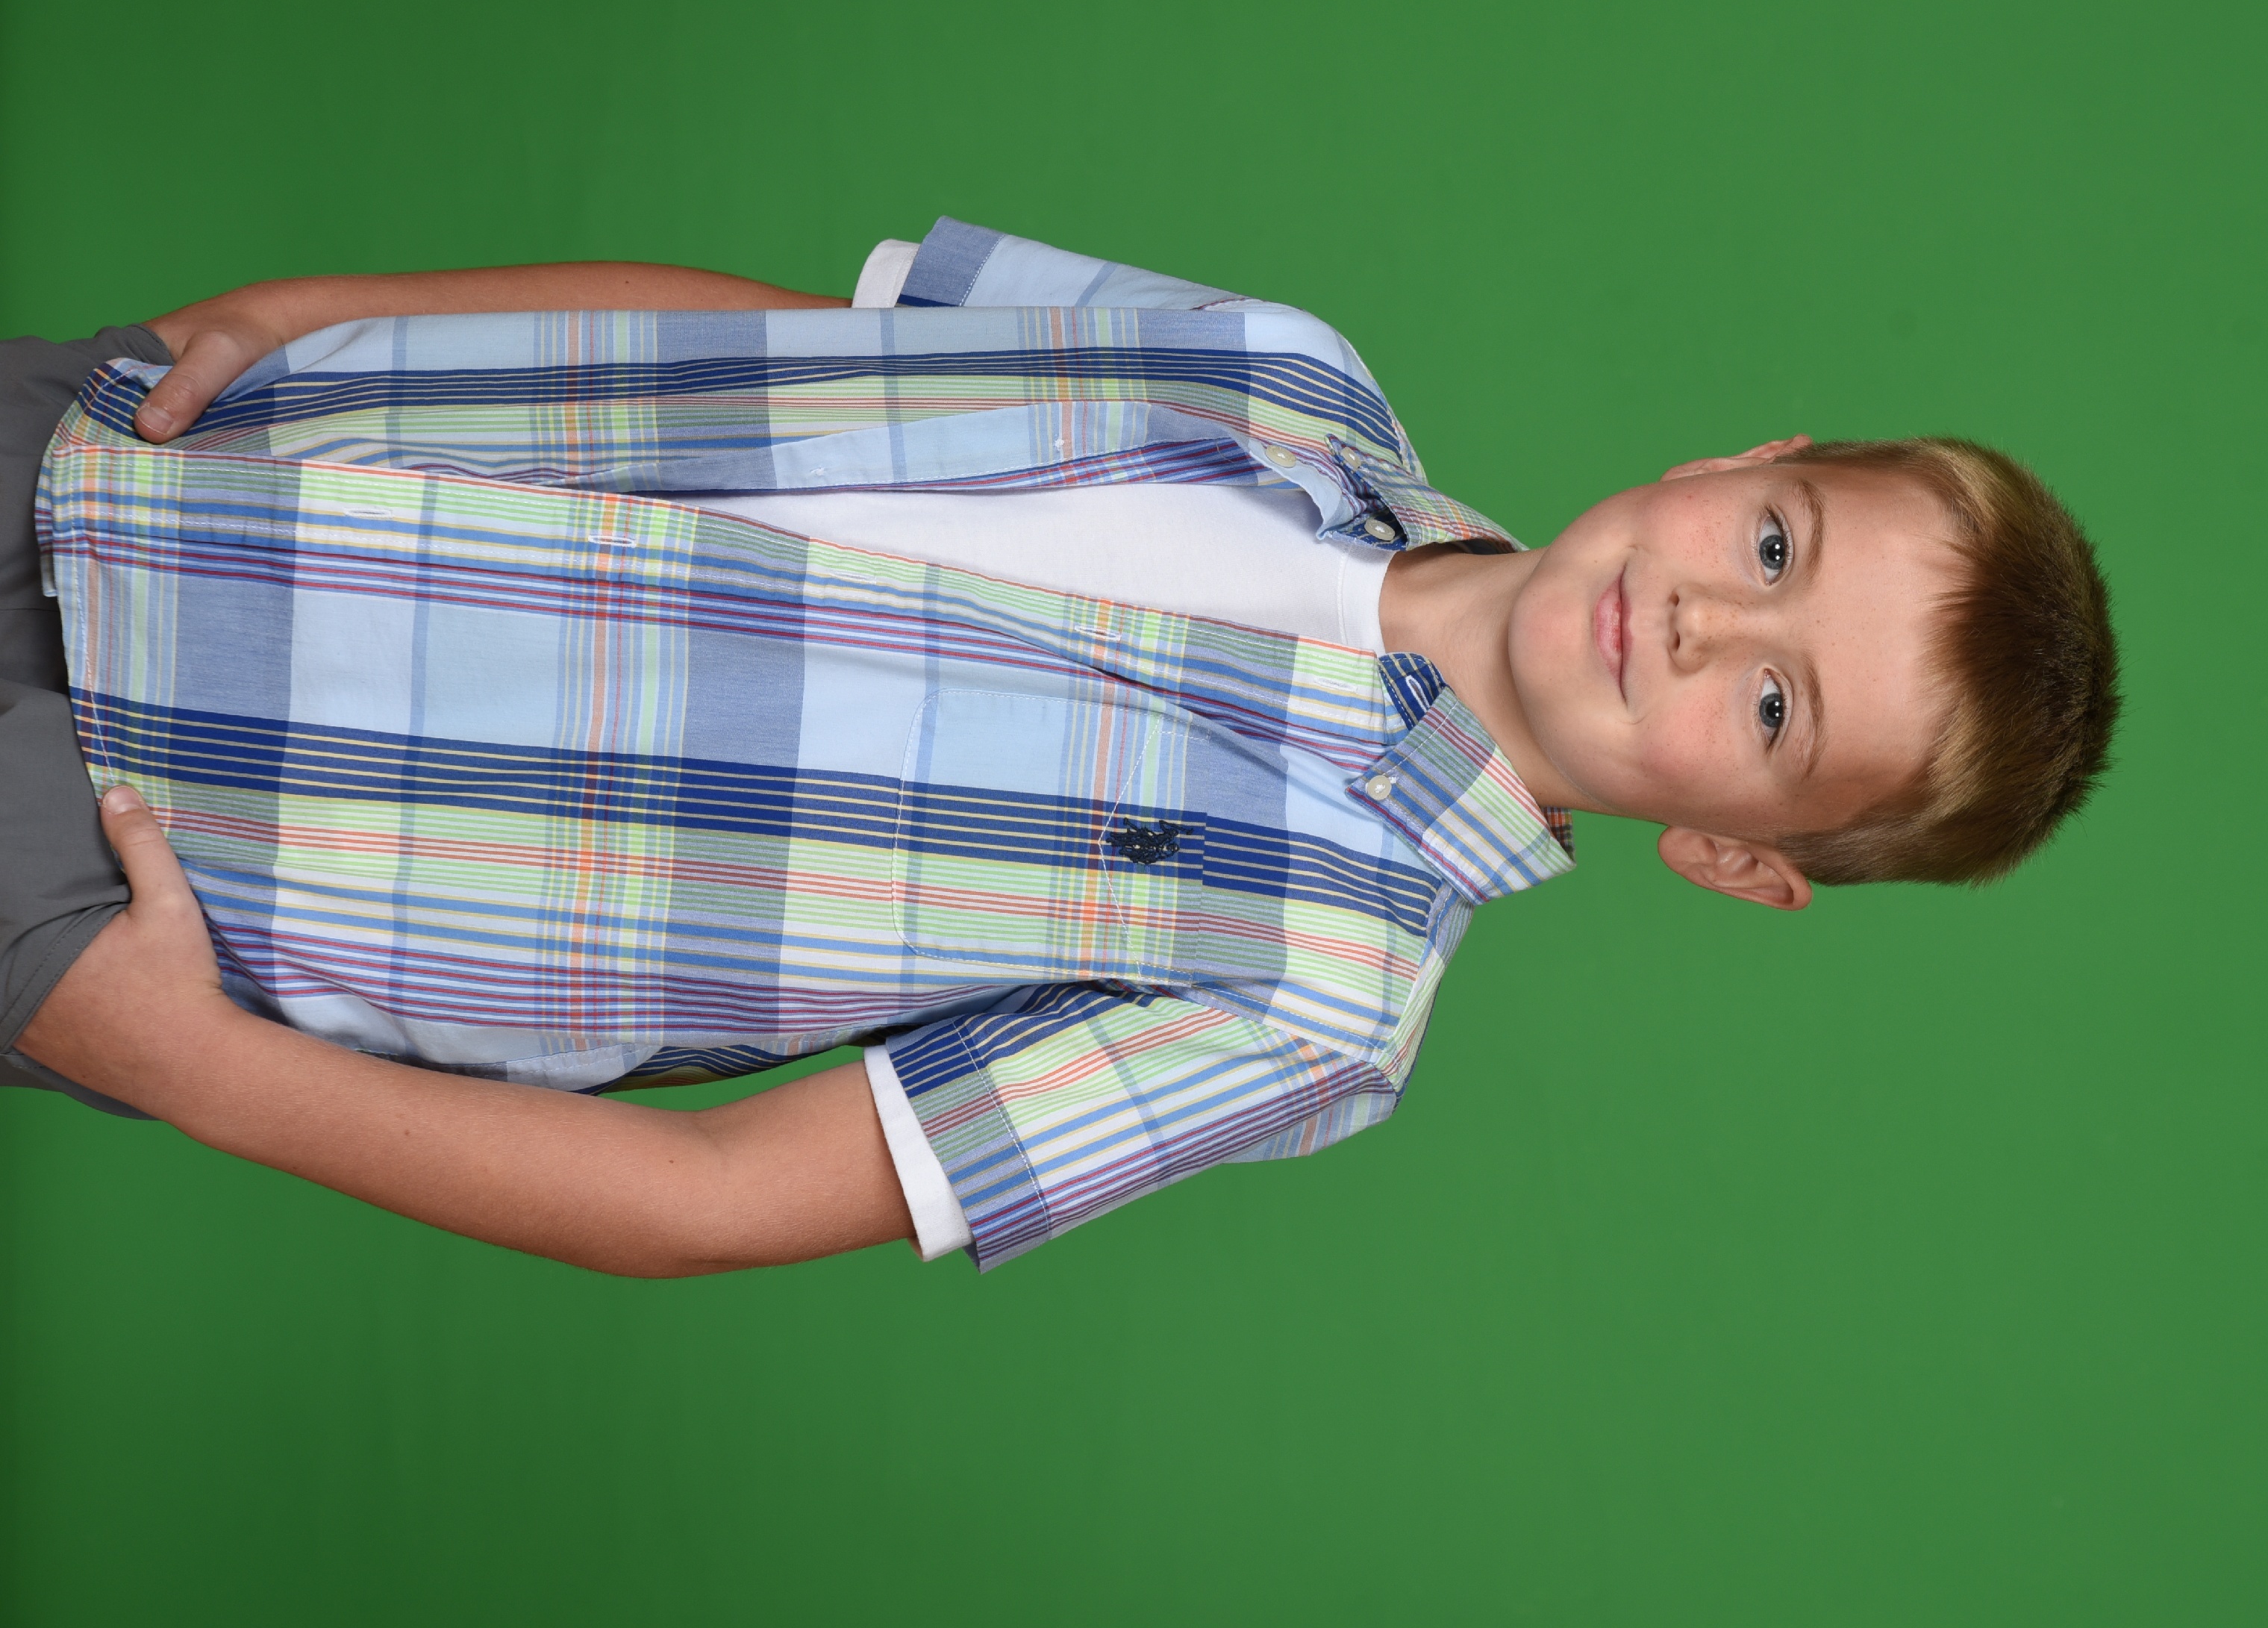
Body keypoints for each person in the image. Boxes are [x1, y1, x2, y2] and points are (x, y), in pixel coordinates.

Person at [2, 221, 2119, 1277]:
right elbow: (783, 345)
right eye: (1776, 546)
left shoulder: (1320, 1001)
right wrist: (333, 309)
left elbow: (715, 1193)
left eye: (1775, 709)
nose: (1708, 622)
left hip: (168, 849)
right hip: (196, 452)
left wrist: (200, 1067)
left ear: (1740, 857)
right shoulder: (1288, 375)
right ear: (1743, 459)